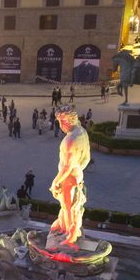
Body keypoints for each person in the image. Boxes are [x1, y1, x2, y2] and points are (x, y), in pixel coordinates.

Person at [49, 106, 91, 248]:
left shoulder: (70, 140)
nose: (60, 125)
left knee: (68, 207)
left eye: (62, 121)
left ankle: (69, 234)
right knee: (72, 206)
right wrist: (77, 171)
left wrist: (55, 182)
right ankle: (65, 227)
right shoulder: (83, 132)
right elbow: (86, 158)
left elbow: (66, 167)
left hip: (67, 179)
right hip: (77, 176)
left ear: (71, 119)